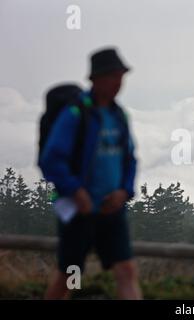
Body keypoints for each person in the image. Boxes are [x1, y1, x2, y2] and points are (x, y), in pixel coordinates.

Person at [39, 47, 142, 299]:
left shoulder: (118, 115)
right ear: (96, 78)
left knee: (126, 270)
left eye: (121, 76)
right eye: (113, 76)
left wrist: (124, 191)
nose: (119, 83)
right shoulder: (75, 113)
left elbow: (129, 159)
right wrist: (75, 191)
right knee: (68, 276)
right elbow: (51, 159)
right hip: (79, 211)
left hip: (112, 208)